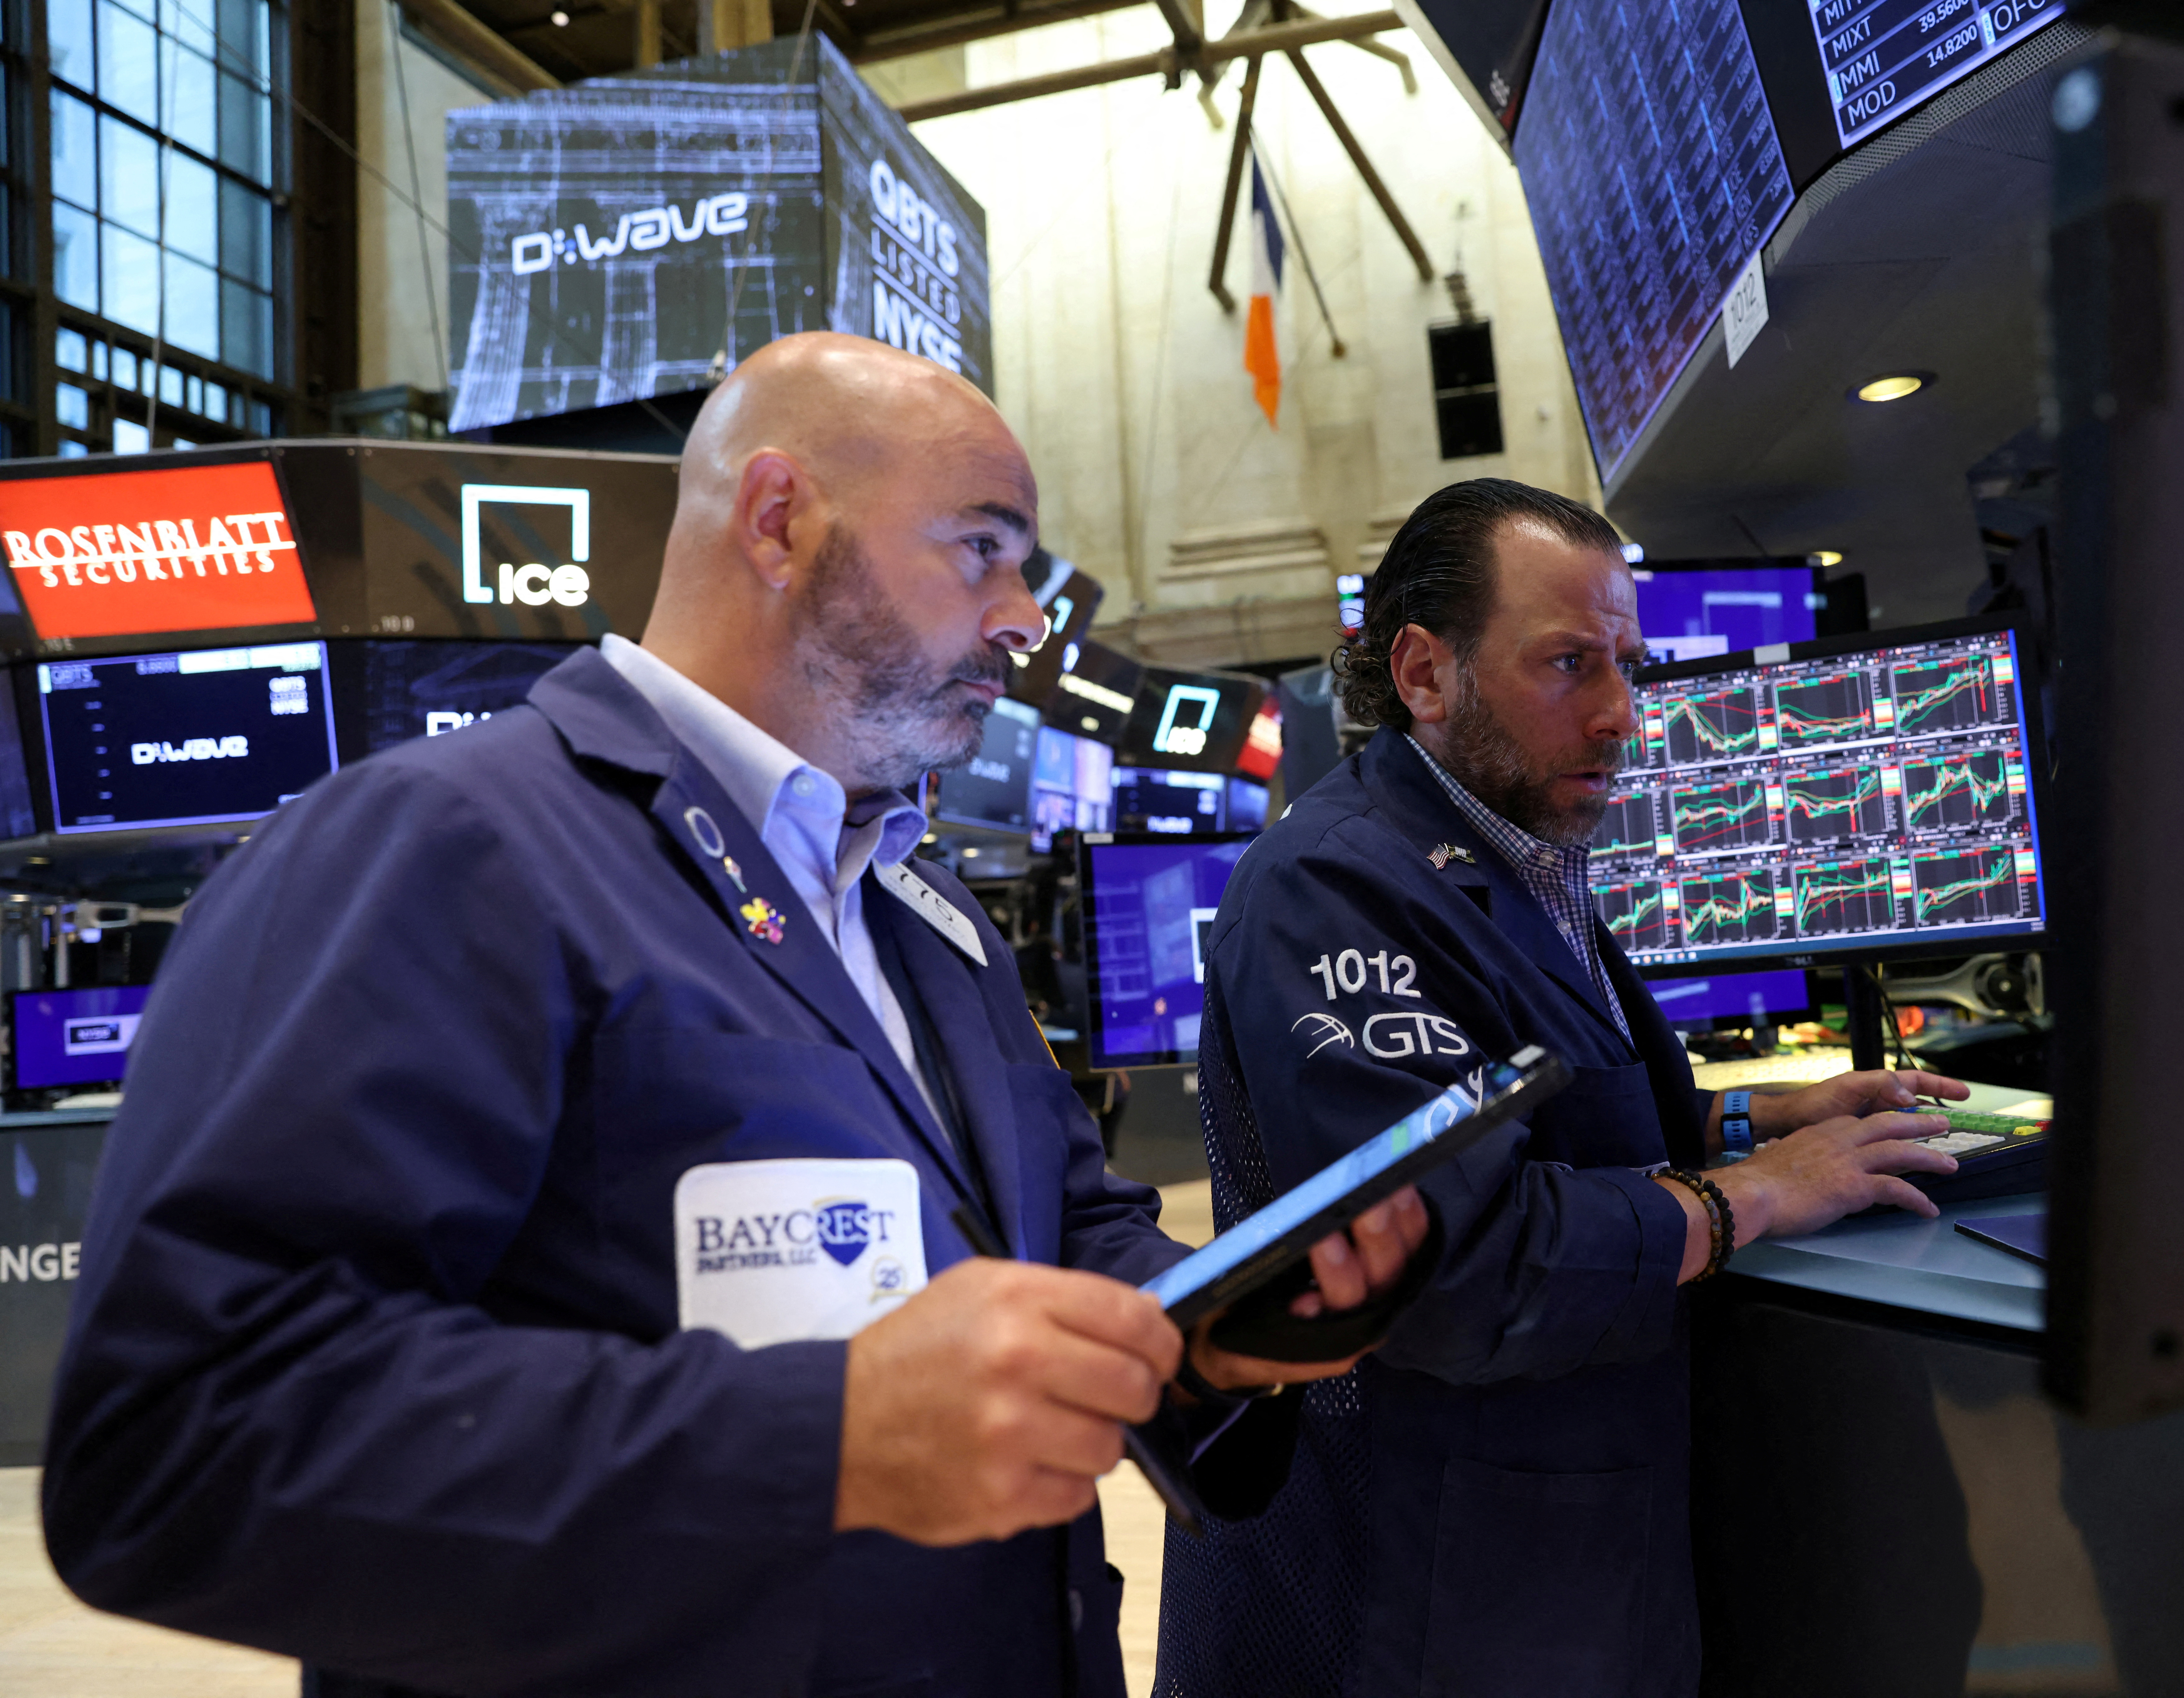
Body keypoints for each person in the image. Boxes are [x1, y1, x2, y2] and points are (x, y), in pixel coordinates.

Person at [41, 333, 1427, 1698]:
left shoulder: (922, 911)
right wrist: (824, 1438)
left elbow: (1058, 1231)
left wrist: (1209, 1320)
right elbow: (177, 1443)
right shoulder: (443, 845)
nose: (1024, 618)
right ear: (777, 522)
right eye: (980, 549)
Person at [1154, 478, 1969, 1698]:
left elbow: (1560, 1119)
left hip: (1547, 1556)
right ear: (1424, 674)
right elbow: (1452, 1261)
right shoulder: (1330, 888)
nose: (1620, 716)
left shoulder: (1511, 856)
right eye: (1569, 665)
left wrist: (1756, 1120)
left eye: (1626, 667)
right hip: (1417, 1588)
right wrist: (1751, 1193)